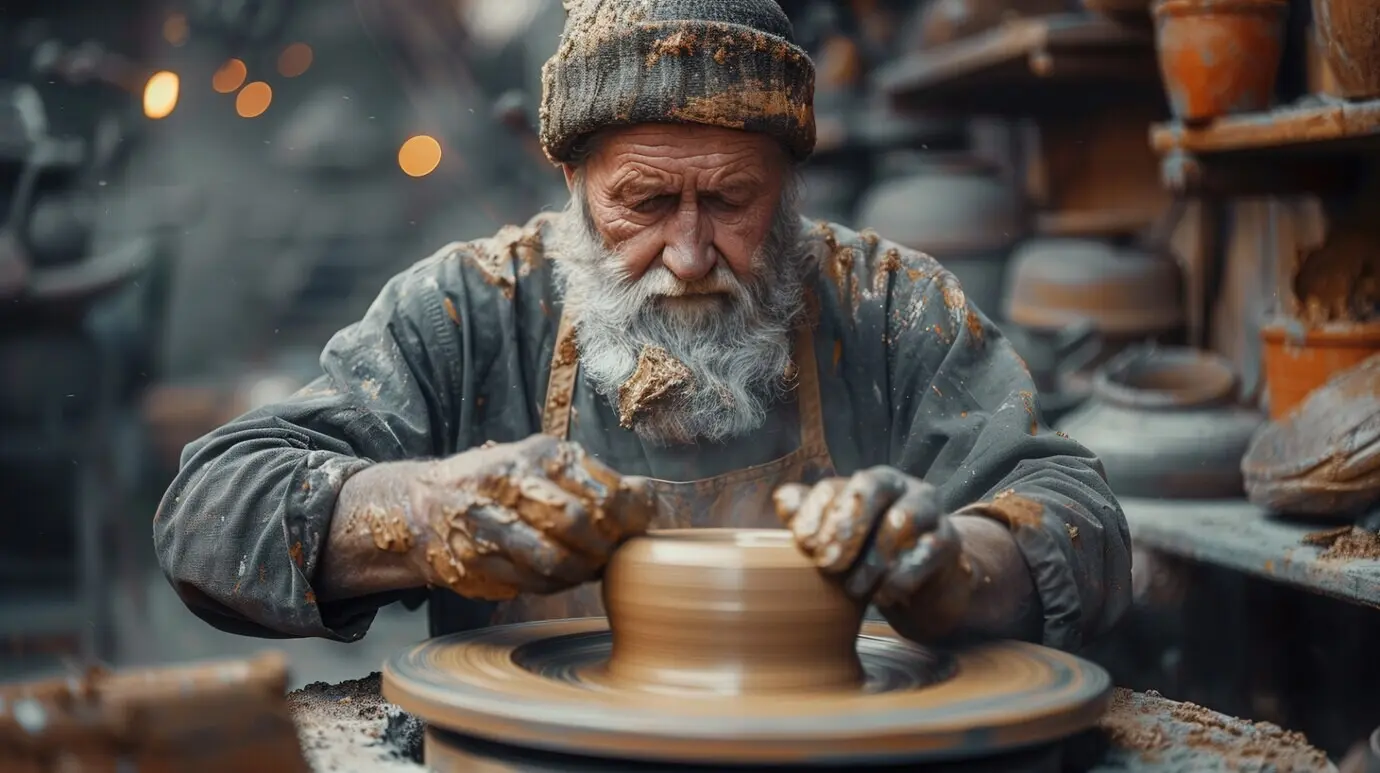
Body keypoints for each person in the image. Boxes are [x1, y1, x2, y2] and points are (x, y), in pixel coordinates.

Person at [154, 0, 1130, 652]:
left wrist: (955, 565)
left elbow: (1078, 515)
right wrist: (416, 511)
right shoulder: (472, 308)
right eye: (646, 201)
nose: (692, 253)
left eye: (733, 199)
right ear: (570, 182)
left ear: (789, 187)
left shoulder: (883, 304)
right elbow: (205, 511)